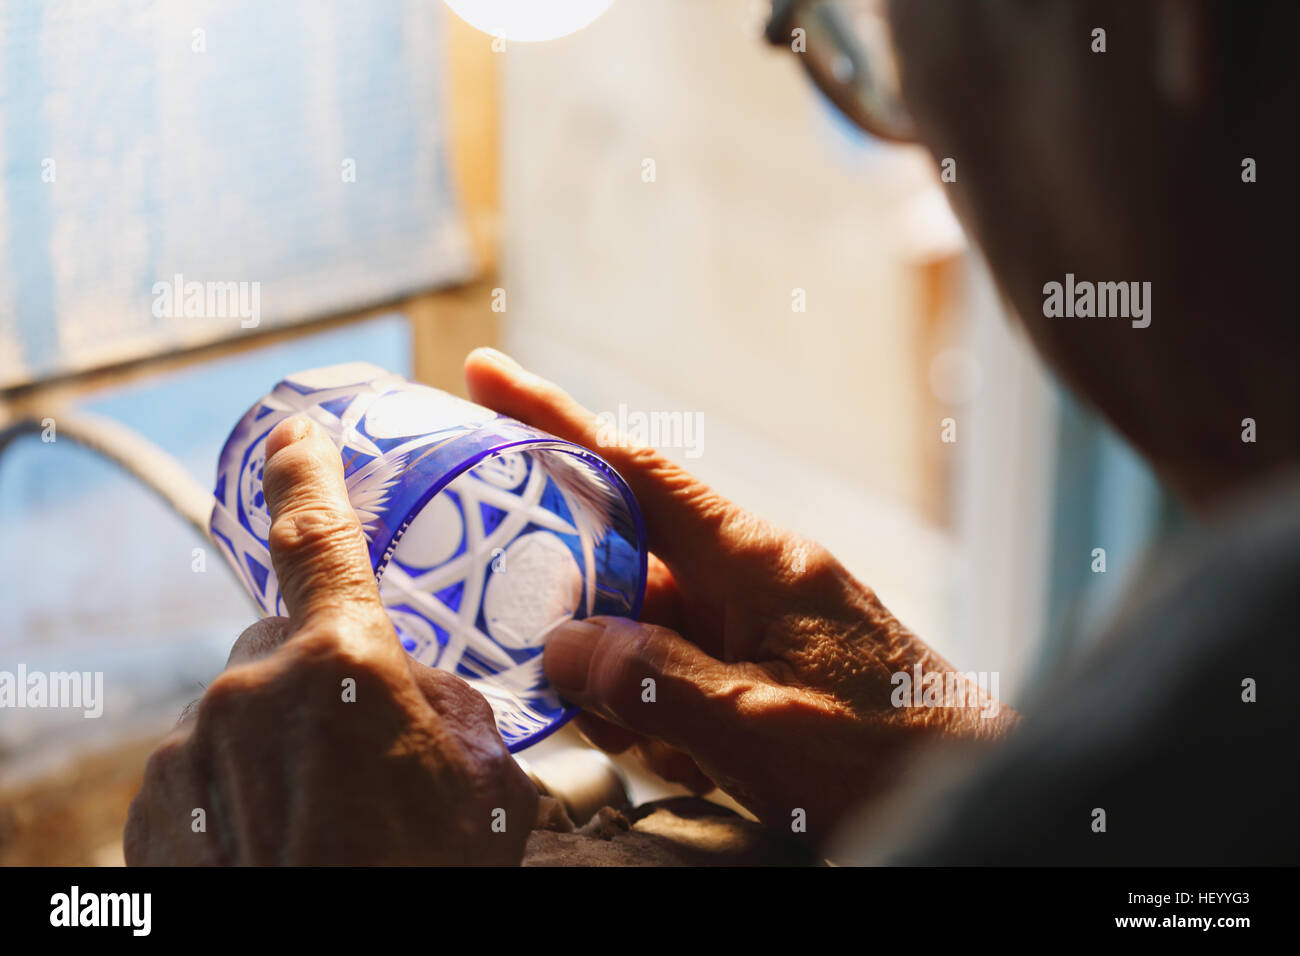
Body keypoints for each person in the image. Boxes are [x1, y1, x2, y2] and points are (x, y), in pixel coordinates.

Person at [124, 0, 1298, 864]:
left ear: (1172, 26)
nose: (922, 149)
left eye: (889, 53)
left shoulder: (1228, 679)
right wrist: (944, 777)